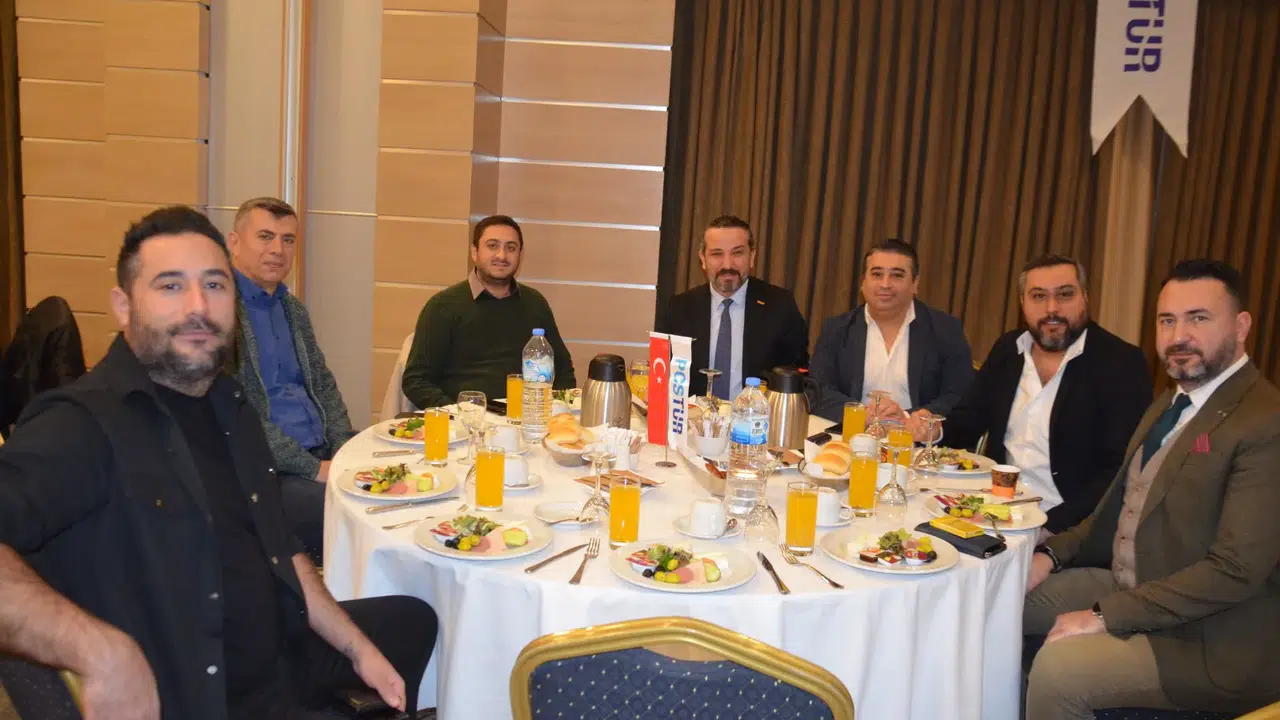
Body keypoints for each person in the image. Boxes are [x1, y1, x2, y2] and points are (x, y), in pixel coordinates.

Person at [0, 207, 438, 719]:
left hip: (277, 652)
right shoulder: (82, 424)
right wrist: (98, 651)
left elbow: (280, 547)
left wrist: (356, 648)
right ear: (123, 306)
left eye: (214, 285)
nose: (198, 307)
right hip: (199, 692)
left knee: (414, 621)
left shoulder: (229, 405)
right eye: (170, 286)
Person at [1022, 259, 1280, 719]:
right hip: (1135, 584)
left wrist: (1103, 617)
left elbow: (1235, 572)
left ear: (1241, 327)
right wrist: (1049, 556)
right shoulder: (1171, 401)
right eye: (1166, 320)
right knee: (1001, 600)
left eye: (1198, 318)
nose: (1179, 336)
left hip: (1209, 636)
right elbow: (1114, 513)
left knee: (1058, 671)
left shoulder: (1265, 422)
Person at [910, 254, 1152, 535]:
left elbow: (1119, 471)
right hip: (993, 510)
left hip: (1069, 526)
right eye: (1038, 296)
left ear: (1085, 298)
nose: (1052, 308)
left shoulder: (1121, 363)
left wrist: (1050, 530)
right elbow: (970, 419)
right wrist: (935, 430)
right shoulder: (1008, 349)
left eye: (1065, 295)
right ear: (1022, 303)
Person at [227, 197, 357, 559]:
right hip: (265, 471)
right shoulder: (222, 314)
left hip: (320, 455)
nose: (277, 250)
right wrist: (314, 469)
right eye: (265, 236)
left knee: (400, 485)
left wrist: (343, 449)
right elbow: (238, 414)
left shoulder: (292, 309)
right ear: (234, 242)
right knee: (352, 518)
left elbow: (323, 385)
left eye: (288, 239)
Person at [401, 215, 576, 409]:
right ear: (474, 252)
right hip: (465, 420)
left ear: (520, 254)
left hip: (528, 416)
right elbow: (416, 380)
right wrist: (459, 413)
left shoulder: (535, 302)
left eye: (511, 248)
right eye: (492, 246)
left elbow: (563, 370)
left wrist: (554, 409)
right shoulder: (443, 306)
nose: (502, 255)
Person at [808, 239, 973, 421]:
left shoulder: (946, 330)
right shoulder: (837, 329)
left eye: (897, 275)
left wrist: (907, 417)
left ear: (915, 284)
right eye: (877, 274)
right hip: (852, 430)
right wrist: (860, 414)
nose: (885, 284)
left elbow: (960, 395)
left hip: (913, 435)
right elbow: (818, 390)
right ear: (863, 282)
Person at [656, 215, 809, 398]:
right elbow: (663, 375)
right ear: (703, 259)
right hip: (693, 414)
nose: (727, 265)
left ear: (752, 257)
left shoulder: (780, 306)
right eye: (717, 254)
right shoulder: (679, 308)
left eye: (737, 253)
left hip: (757, 414)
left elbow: (798, 374)